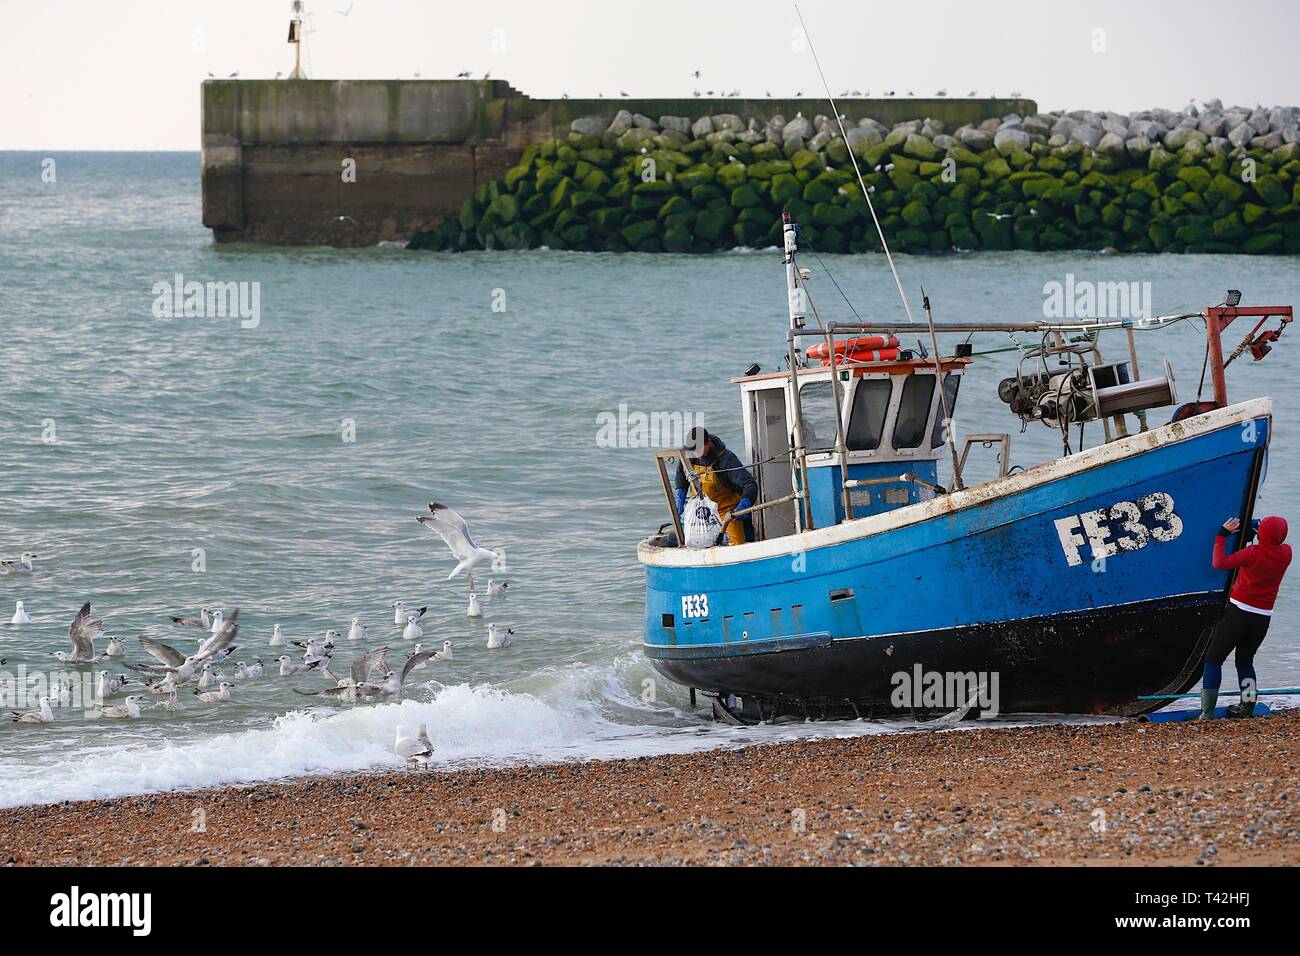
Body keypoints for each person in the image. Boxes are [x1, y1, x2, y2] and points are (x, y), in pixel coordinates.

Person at [1200, 515, 1292, 720]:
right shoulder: (1287, 553)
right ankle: (1247, 706)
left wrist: (1222, 535)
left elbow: (1219, 563)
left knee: (1213, 659)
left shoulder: (1251, 553)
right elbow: (1271, 536)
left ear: (1262, 534)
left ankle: (1207, 712)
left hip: (1238, 613)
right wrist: (1255, 528)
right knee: (1244, 661)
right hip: (1262, 618)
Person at [674, 426, 758, 546]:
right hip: (701, 513)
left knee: (735, 545)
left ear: (708, 443)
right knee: (694, 543)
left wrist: (743, 506)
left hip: (726, 512)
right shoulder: (688, 455)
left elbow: (750, 485)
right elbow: (681, 477)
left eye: (699, 450)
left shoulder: (727, 459)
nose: (696, 455)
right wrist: (679, 499)